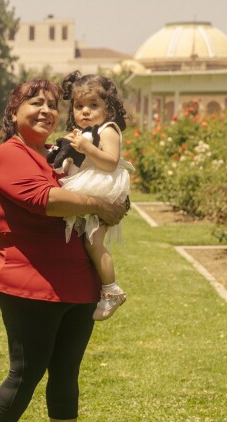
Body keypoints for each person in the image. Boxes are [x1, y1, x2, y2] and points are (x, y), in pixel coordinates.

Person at [0, 79, 126, 422]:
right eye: (34, 102)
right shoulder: (9, 156)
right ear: (13, 111)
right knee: (26, 371)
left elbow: (101, 187)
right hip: (29, 281)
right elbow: (49, 200)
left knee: (65, 373)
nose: (45, 110)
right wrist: (102, 203)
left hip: (79, 281)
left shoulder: (59, 155)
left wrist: (114, 203)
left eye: (51, 104)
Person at [55, 71, 134, 321]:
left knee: (94, 242)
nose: (85, 112)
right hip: (89, 185)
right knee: (83, 240)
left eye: (93, 105)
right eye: (79, 106)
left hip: (103, 187)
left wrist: (87, 148)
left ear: (108, 109)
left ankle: (112, 290)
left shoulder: (108, 130)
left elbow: (110, 163)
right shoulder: (83, 133)